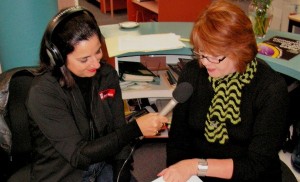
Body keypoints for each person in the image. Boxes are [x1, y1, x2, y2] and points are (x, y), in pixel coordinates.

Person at [26, 6, 168, 182]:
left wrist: (120, 174)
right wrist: (135, 129)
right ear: (59, 57)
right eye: (84, 59)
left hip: (101, 166)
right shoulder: (43, 93)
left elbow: (118, 130)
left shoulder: (106, 75)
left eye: (98, 51)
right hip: (65, 175)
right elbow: (79, 155)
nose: (96, 63)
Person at [158, 0, 289, 182]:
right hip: (197, 175)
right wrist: (181, 173)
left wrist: (196, 166)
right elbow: (178, 140)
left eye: (214, 56)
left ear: (240, 50)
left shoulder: (270, 89)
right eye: (201, 53)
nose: (204, 62)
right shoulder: (193, 73)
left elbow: (256, 165)